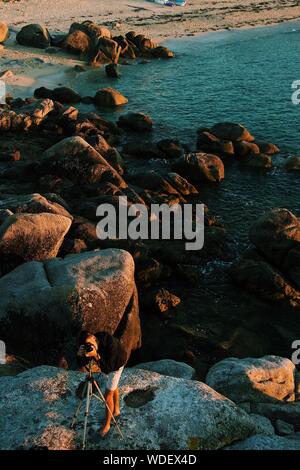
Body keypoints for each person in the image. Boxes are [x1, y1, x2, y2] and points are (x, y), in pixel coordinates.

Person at [77, 330, 128, 437]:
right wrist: (80, 355)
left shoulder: (110, 343)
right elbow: (81, 364)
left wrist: (96, 356)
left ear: (94, 338)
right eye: (87, 345)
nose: (89, 346)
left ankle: (107, 425)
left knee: (108, 394)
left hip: (117, 363)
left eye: (90, 344)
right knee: (113, 385)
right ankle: (116, 410)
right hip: (109, 364)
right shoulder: (90, 345)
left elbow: (108, 370)